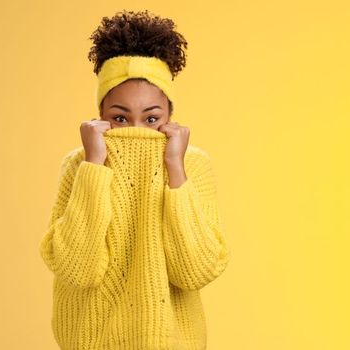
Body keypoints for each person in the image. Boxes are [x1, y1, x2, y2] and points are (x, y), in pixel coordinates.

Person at [39, 9, 231, 349]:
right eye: (120, 118)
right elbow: (77, 269)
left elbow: (195, 270)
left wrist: (175, 167)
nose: (138, 131)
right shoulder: (79, 164)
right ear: (99, 116)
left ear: (171, 116)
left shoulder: (192, 165)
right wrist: (95, 165)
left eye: (152, 118)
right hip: (92, 341)